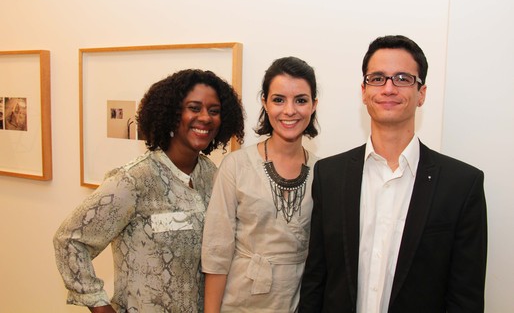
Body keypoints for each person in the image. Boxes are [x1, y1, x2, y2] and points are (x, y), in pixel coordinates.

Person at [299, 35, 487, 313]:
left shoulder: (461, 185)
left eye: (402, 78)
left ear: (421, 94)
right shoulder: (329, 176)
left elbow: (465, 297)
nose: (388, 88)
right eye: (377, 78)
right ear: (363, 91)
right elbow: (316, 278)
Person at [53, 69, 245, 313]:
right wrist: (100, 307)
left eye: (214, 111)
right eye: (194, 108)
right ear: (172, 115)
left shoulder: (213, 175)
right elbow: (69, 240)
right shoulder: (134, 179)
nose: (205, 117)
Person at [202, 56, 319, 313]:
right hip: (241, 301)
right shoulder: (236, 165)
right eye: (278, 99)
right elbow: (216, 253)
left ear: (313, 105)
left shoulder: (323, 173)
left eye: (300, 100)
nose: (289, 110)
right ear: (265, 102)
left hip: (298, 301)